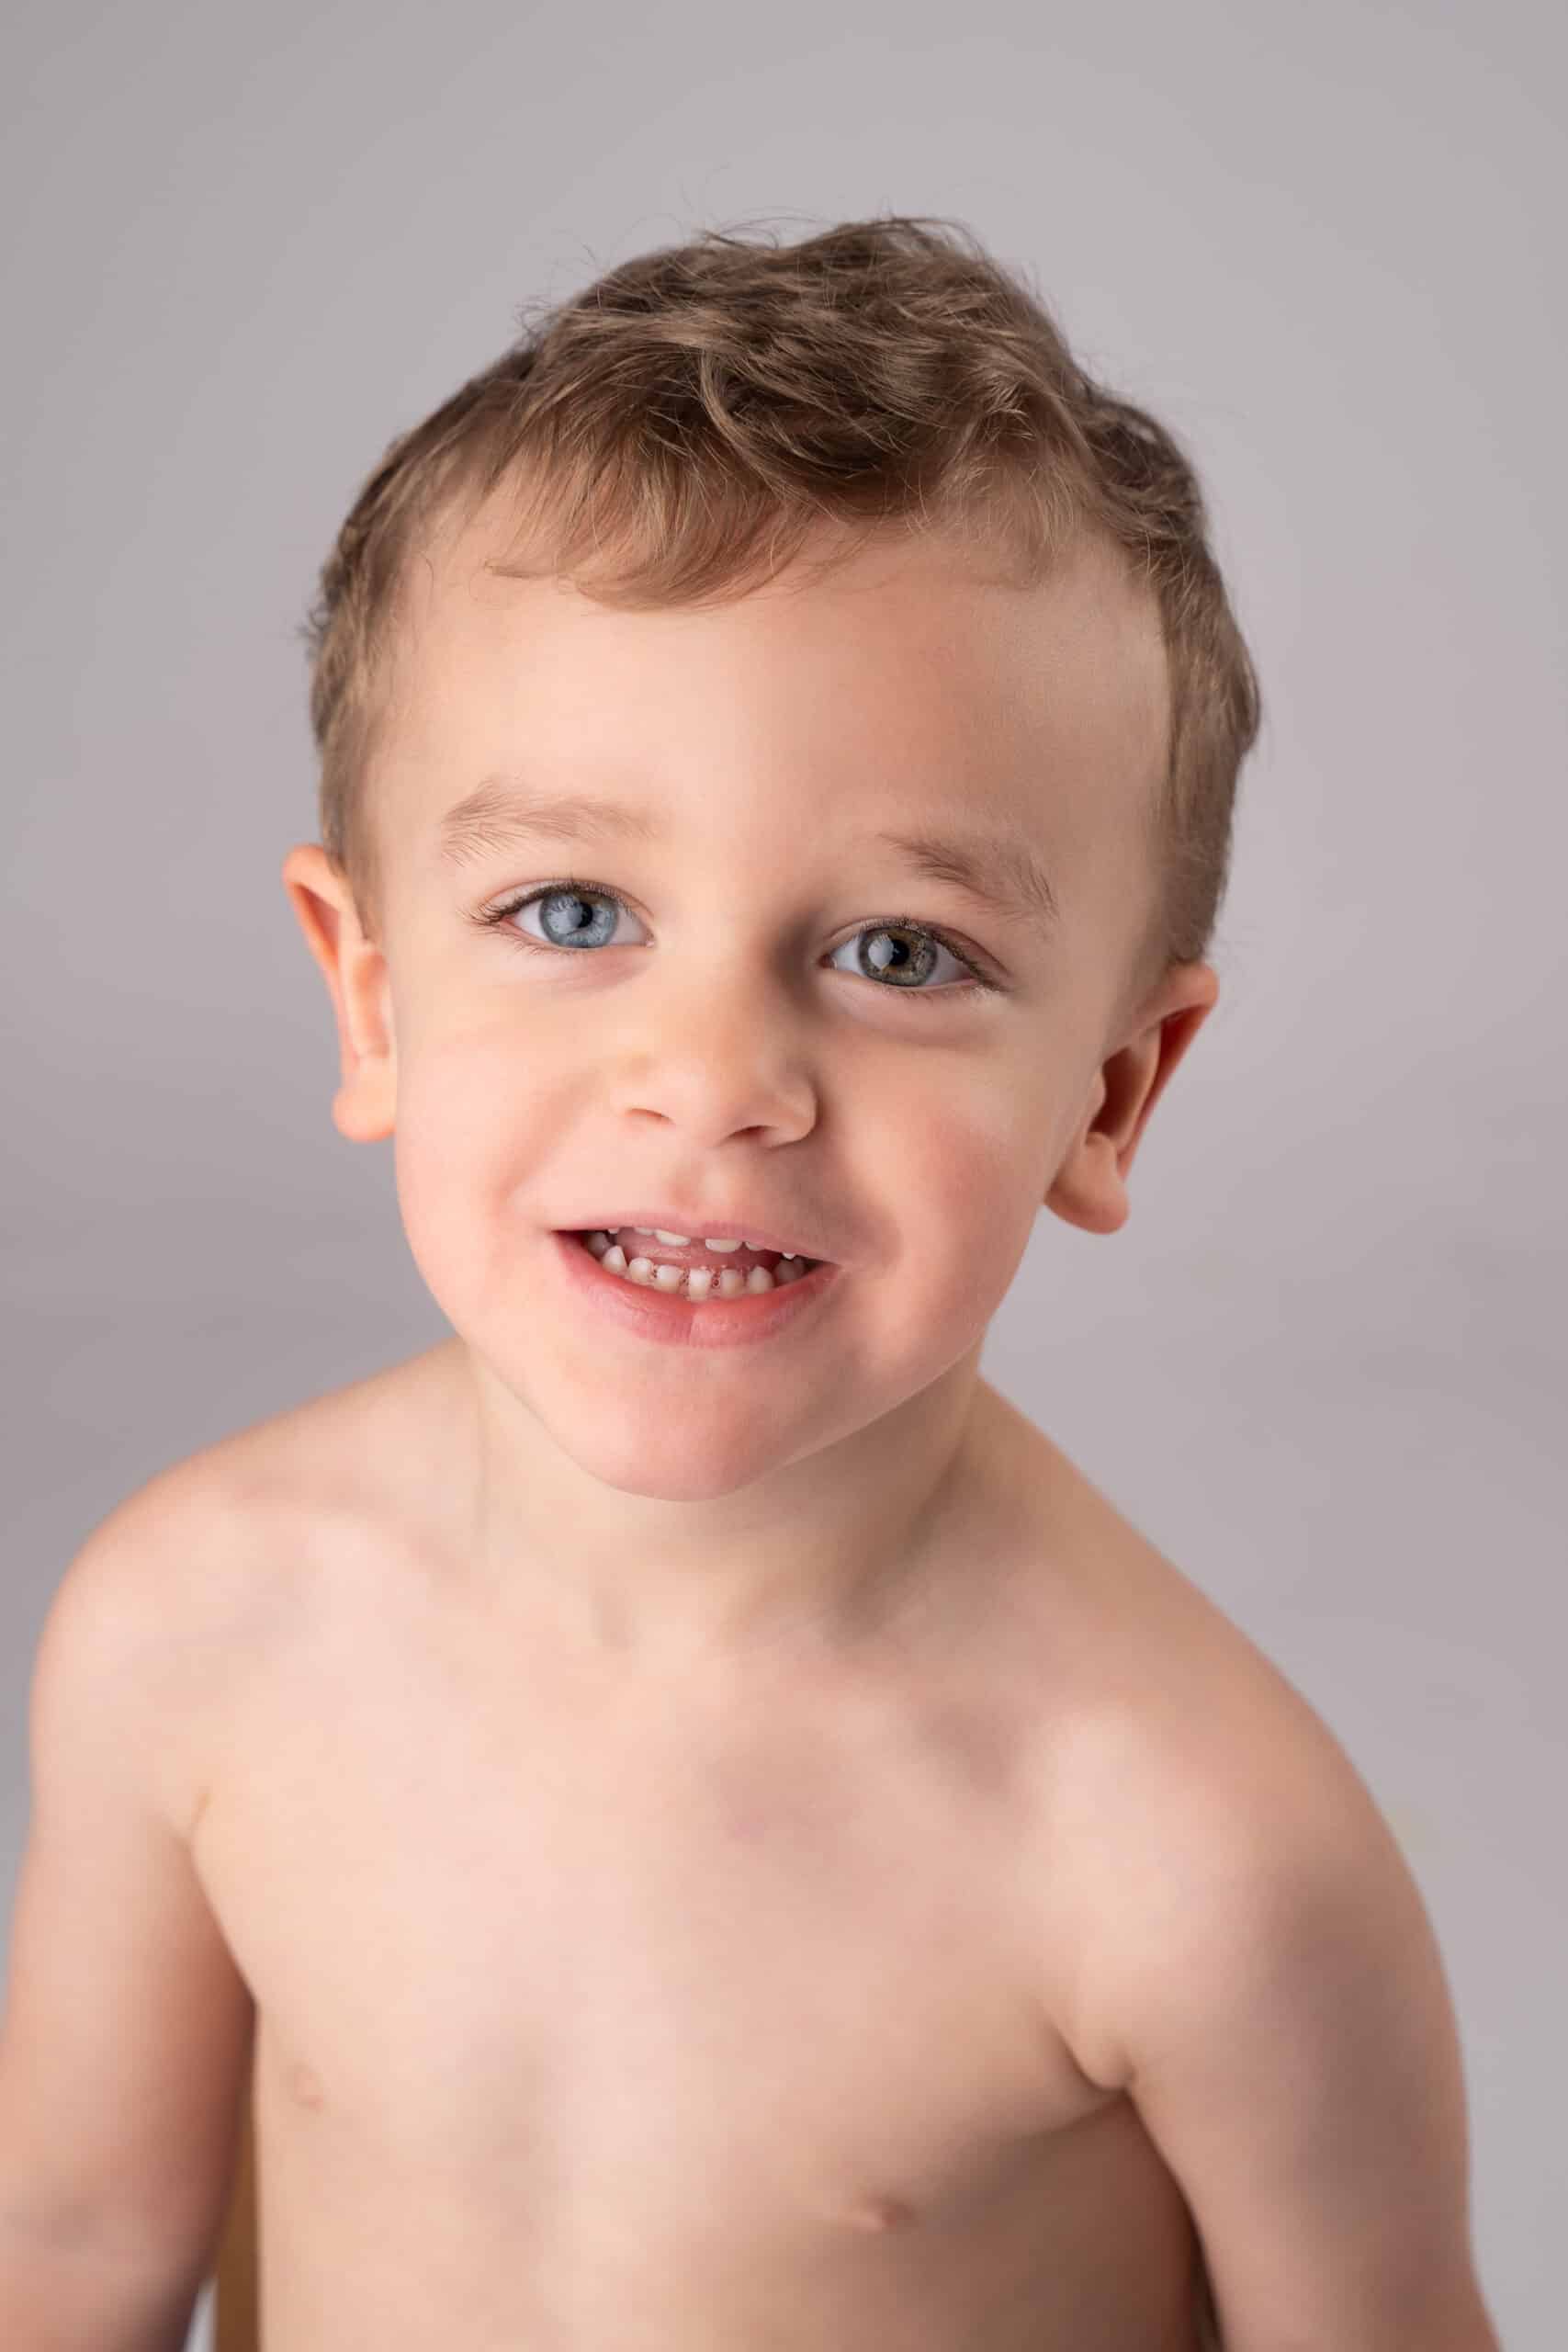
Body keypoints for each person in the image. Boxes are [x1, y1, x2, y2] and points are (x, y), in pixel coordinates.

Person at [0, 214, 1499, 2352]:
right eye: (573, 906)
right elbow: (63, 2260)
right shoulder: (199, 1630)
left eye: (897, 950)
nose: (710, 1080)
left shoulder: (1190, 1852)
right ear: (370, 995)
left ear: (1109, 1091)